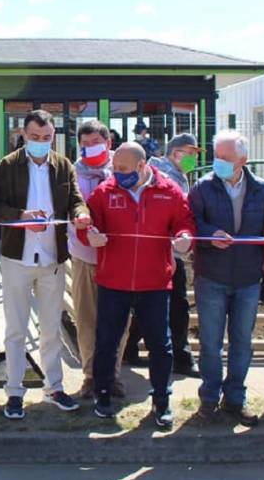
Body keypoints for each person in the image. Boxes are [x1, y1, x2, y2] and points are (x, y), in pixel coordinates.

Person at [81, 142, 195, 428]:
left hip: (154, 282)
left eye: (123, 169)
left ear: (143, 166)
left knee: (160, 344)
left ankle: (161, 400)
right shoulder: (104, 192)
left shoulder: (169, 192)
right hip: (113, 281)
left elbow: (185, 223)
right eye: (114, 168)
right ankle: (103, 395)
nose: (116, 173)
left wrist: (184, 237)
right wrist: (90, 236)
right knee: (106, 341)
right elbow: (87, 226)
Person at [188, 130, 264, 426]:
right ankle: (208, 398)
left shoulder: (263, 189)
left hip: (248, 278)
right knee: (210, 341)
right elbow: (191, 222)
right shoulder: (203, 188)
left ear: (243, 160)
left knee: (242, 342)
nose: (218, 162)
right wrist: (208, 235)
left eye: (225, 158)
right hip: (211, 277)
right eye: (216, 156)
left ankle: (235, 398)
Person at [0, 109, 90, 420]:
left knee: (51, 328)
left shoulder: (63, 165)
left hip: (52, 258)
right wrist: (21, 218)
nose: (41, 143)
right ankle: (14, 390)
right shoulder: (8, 165)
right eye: (35, 138)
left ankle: (54, 387)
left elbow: (75, 198)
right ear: (23, 135)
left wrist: (79, 213)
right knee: (16, 330)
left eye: (47, 138)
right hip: (17, 258)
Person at [123, 134, 201, 377]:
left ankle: (129, 345)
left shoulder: (179, 176)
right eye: (190, 153)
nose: (193, 158)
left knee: (152, 302)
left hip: (167, 250)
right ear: (176, 152)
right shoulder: (160, 175)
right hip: (161, 251)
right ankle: (182, 357)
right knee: (176, 305)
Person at [68, 120, 129, 399]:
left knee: (118, 319)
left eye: (96, 142)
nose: (90, 148)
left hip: (120, 257)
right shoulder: (72, 172)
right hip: (84, 256)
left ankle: (113, 374)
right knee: (86, 318)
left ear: (109, 142)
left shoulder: (125, 167)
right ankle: (91, 376)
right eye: (85, 144)